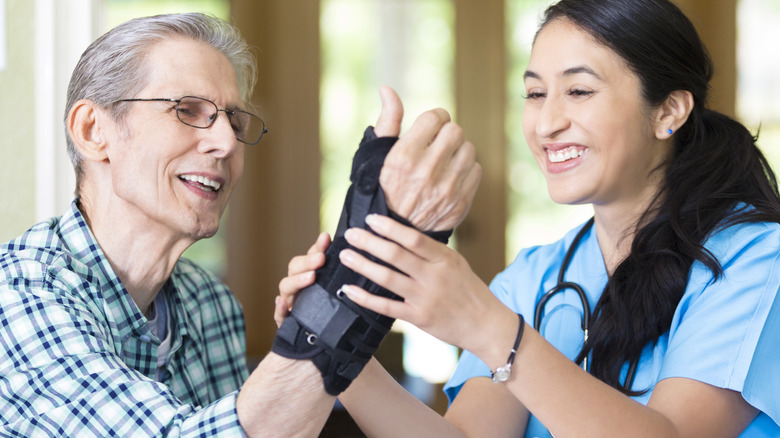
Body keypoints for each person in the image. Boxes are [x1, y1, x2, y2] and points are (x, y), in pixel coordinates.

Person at [278, 0, 780, 436]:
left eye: (579, 91)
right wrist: (339, 338)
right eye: (536, 93)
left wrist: (487, 326)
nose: (546, 123)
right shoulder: (534, 278)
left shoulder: (757, 261)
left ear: (669, 110)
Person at [0, 12, 480, 437]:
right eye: (188, 110)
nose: (227, 143)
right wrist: (355, 272)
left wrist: (342, 290)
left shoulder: (212, 305)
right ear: (93, 131)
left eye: (234, 121)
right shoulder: (18, 292)